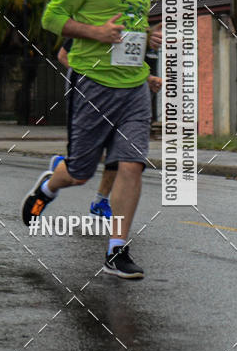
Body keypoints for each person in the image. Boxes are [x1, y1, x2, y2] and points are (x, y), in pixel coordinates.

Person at [22, 0, 162, 279]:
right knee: (80, 172)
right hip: (93, 84)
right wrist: (95, 32)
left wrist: (148, 36)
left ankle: (117, 250)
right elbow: (51, 17)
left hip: (133, 87)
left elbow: (130, 25)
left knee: (131, 165)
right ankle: (49, 186)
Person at [50, 39, 162, 219]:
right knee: (85, 160)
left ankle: (100, 201)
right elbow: (63, 55)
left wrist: (147, 79)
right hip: (91, 95)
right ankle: (64, 166)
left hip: (123, 97)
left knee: (120, 154)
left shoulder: (131, 30)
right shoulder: (90, 27)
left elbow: (125, 64)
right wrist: (93, 78)